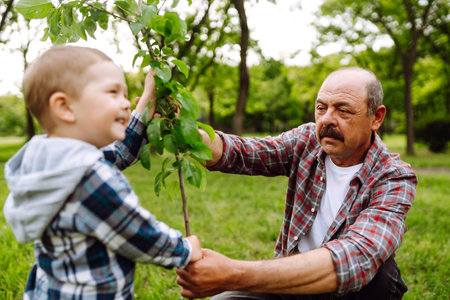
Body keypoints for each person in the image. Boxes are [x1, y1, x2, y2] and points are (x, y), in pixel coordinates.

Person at [176, 67, 417, 299]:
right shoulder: (306, 142)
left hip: (354, 293)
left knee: (381, 273)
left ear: (376, 117)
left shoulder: (394, 177)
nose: (327, 120)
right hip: (291, 283)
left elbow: (356, 258)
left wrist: (233, 274)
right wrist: (184, 131)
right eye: (321, 108)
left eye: (343, 111)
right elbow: (242, 152)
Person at [3, 45, 201, 299]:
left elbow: (116, 154)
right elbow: (136, 232)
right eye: (113, 92)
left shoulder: (50, 158)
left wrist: (146, 104)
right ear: (64, 107)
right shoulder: (89, 177)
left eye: (126, 94)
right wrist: (183, 249)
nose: (126, 103)